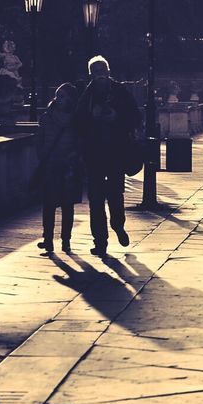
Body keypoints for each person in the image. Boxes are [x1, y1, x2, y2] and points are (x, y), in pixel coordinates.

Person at [73, 56, 141, 257]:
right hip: (93, 155)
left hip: (116, 153)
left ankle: (118, 226)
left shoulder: (120, 92)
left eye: (102, 70)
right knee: (95, 200)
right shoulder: (87, 95)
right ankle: (100, 241)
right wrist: (90, 117)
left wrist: (116, 117)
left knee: (114, 196)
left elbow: (135, 117)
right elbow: (77, 123)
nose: (99, 75)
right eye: (95, 72)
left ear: (108, 71)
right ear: (91, 74)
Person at [36, 83, 81, 254]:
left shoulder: (75, 119)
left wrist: (72, 156)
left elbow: (79, 142)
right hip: (52, 164)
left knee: (65, 206)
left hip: (67, 166)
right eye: (57, 95)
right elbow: (39, 138)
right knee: (50, 205)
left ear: (70, 98)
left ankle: (64, 240)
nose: (58, 99)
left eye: (62, 96)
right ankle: (49, 239)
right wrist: (42, 154)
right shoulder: (47, 117)